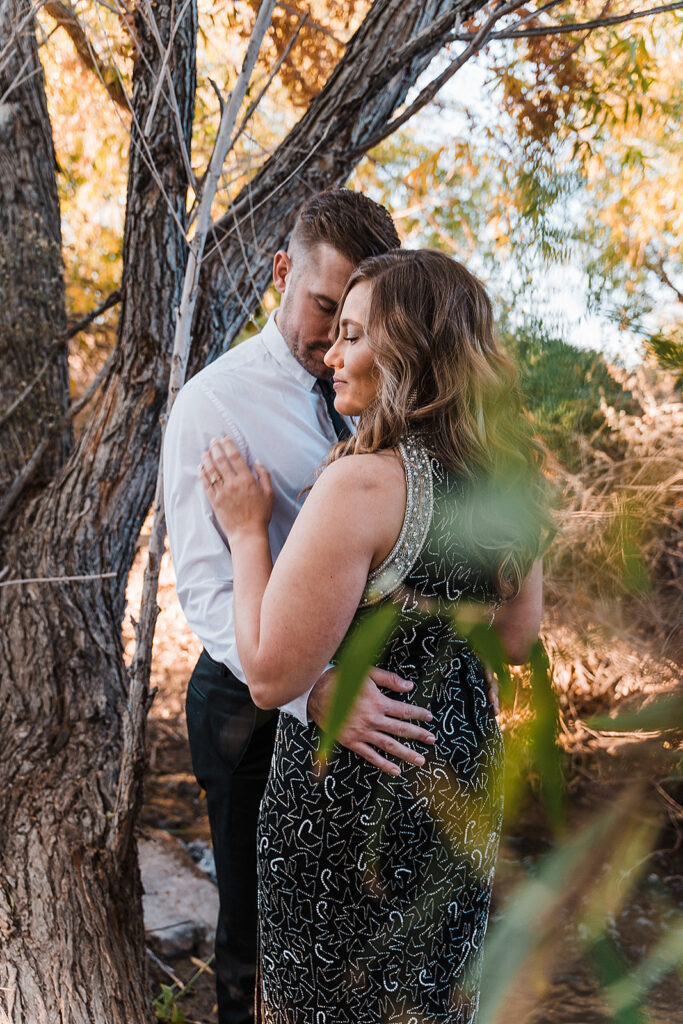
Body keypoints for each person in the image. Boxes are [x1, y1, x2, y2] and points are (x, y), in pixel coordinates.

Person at [200, 249, 549, 1023]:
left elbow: (268, 678)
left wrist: (247, 530)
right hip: (456, 787)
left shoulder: (361, 485)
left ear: (406, 348)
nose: (331, 354)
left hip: (349, 808)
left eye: (352, 335)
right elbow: (517, 640)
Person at [163, 190, 438, 1024]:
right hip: (252, 707)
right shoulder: (213, 406)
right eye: (325, 306)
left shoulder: (383, 397)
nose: (336, 334)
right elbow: (207, 597)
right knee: (252, 940)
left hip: (367, 707)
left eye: (358, 316)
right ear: (282, 272)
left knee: (351, 931)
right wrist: (311, 687)